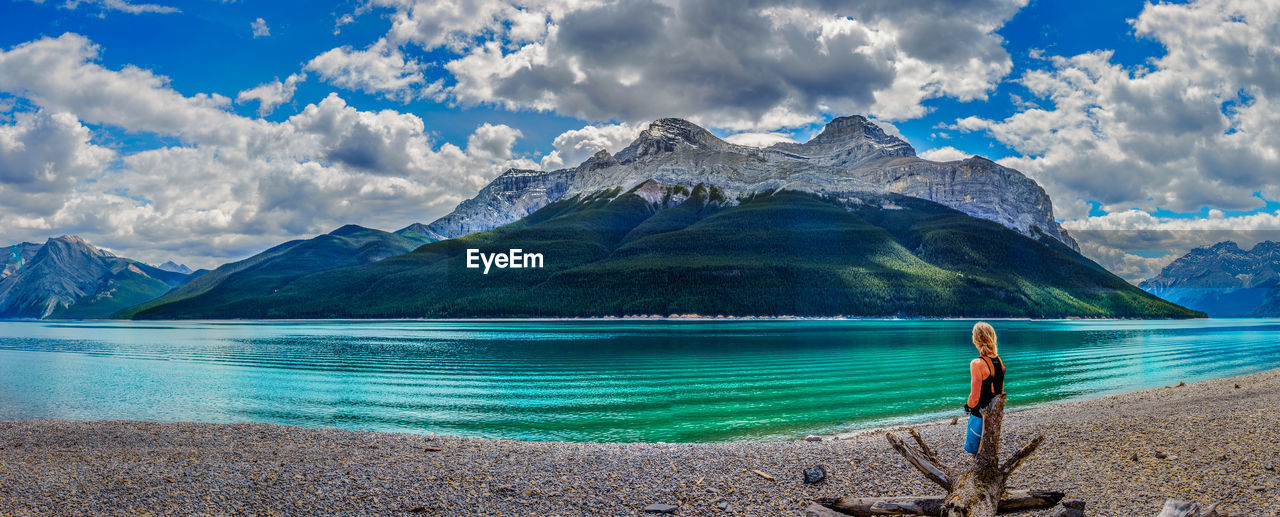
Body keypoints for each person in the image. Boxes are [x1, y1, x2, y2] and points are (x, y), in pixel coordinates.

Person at [962, 321, 1004, 456]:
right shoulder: (999, 361)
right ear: (993, 337)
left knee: (976, 453)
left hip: (979, 416)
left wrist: (967, 406)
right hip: (994, 415)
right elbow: (1001, 393)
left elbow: (974, 398)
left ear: (975, 340)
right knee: (988, 451)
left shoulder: (977, 363)